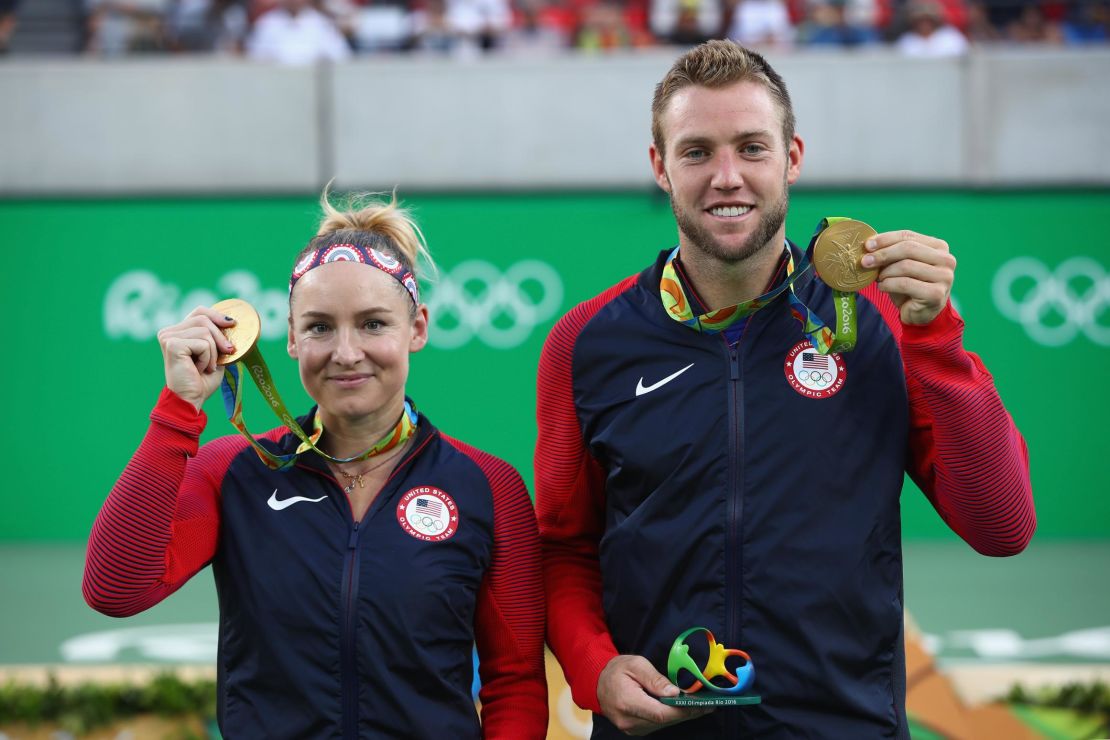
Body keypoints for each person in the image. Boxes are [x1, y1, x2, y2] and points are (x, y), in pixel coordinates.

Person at [535, 39, 1035, 738]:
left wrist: (938, 340)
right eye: (697, 151)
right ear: (660, 168)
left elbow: (1002, 526)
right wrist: (596, 669)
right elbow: (563, 548)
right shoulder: (586, 343)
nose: (727, 176)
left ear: (792, 157)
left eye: (752, 147)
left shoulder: (881, 320)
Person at [84, 192, 548, 739]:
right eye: (320, 327)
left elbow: (514, 681)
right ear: (291, 337)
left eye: (374, 324)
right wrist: (178, 409)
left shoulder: (486, 485)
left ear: (417, 328)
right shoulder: (235, 471)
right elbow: (115, 589)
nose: (346, 353)